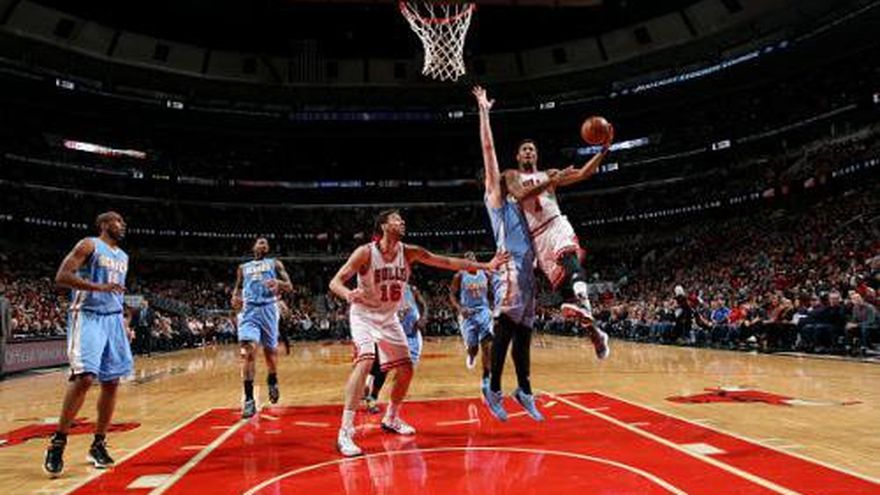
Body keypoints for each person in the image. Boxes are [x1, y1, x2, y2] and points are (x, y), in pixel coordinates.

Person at [329, 209, 507, 457]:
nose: (402, 221)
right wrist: (348, 294)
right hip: (364, 316)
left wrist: (485, 265)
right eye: (396, 219)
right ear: (383, 226)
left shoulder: (409, 252)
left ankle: (391, 418)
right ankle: (345, 432)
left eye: (402, 219)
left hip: (389, 317)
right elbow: (335, 282)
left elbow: (446, 262)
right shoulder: (365, 253)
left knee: (406, 368)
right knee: (366, 360)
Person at [483, 87, 613, 359]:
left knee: (569, 260)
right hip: (536, 238)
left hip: (556, 224)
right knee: (566, 291)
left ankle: (583, 304)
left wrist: (603, 150)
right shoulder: (511, 175)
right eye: (524, 150)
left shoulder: (549, 174)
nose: (528, 152)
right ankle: (596, 333)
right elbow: (520, 194)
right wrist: (550, 180)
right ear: (518, 157)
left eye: (532, 149)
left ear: (536, 155)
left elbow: (583, 174)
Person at [473, 85, 548, 423]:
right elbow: (488, 150)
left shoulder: (522, 197)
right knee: (505, 325)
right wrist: (484, 112)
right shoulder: (496, 197)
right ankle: (493, 387)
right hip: (509, 265)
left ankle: (525, 389)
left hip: (528, 268)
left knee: (525, 333)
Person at [44, 211, 133, 477]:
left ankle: (98, 444)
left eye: (123, 222)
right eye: (118, 221)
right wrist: (98, 287)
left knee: (112, 382)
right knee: (84, 377)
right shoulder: (89, 244)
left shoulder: (124, 256)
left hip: (113, 320)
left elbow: (115, 294)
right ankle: (58, 442)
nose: (122, 225)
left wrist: (123, 322)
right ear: (104, 224)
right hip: (88, 316)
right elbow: (62, 276)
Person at [231, 237, 293, 418]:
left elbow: (290, 286)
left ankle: (272, 379)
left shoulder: (275, 264)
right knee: (248, 352)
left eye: (266, 243)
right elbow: (237, 288)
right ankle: (249, 400)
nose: (263, 244)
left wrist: (280, 284)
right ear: (253, 247)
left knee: (270, 355)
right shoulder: (243, 267)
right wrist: (234, 297)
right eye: (260, 242)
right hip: (249, 311)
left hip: (268, 309)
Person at [364, 283, 428, 414]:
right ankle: (372, 397)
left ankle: (392, 409)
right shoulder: (382, 291)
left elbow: (423, 305)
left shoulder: (411, 289)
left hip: (411, 337)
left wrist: (423, 318)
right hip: (391, 335)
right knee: (383, 369)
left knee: (406, 372)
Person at [449, 252, 493, 394]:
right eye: (467, 260)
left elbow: (493, 291)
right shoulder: (459, 276)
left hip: (484, 312)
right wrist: (460, 308)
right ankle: (471, 355)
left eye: (473, 259)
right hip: (468, 313)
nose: (471, 262)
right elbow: (452, 295)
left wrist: (493, 307)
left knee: (487, 346)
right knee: (474, 347)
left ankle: (486, 378)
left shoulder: (485, 273)